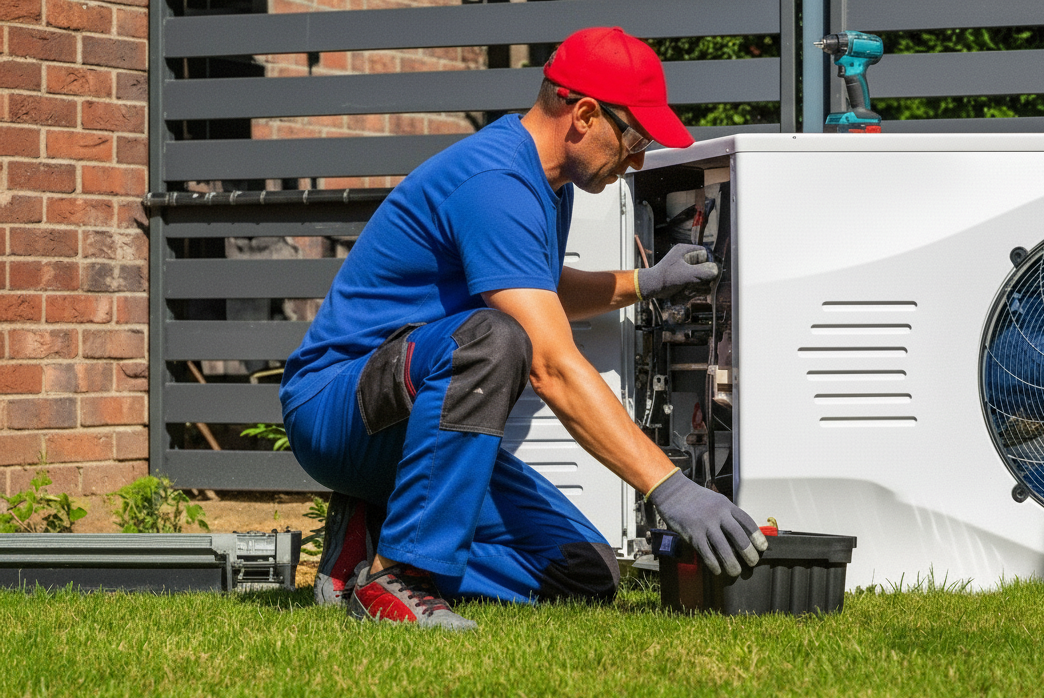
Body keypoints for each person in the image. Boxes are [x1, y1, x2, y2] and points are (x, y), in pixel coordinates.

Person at [279, 27, 768, 631]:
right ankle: (397, 576)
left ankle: (366, 542)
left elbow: (536, 287)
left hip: (412, 419)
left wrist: (645, 282)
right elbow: (551, 364)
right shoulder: (495, 181)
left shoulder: (549, 186)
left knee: (584, 572)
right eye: (635, 137)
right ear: (584, 114)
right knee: (496, 338)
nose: (639, 159)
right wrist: (669, 487)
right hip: (340, 406)